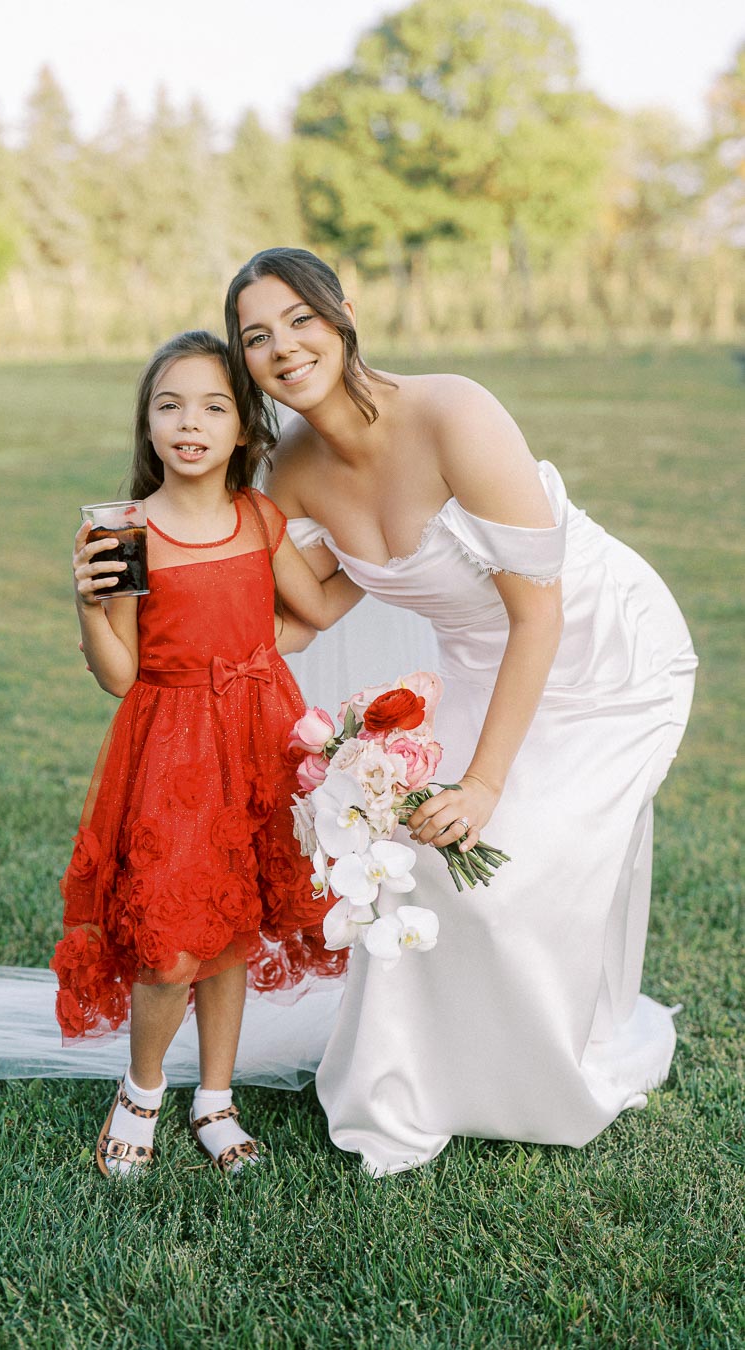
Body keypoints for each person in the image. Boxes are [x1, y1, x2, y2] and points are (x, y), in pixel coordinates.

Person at [224, 248, 698, 1177]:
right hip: (484, 661)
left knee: (523, 861)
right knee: (424, 860)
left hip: (602, 652)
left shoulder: (452, 413)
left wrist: (485, 782)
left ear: (344, 314)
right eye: (256, 337)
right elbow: (312, 610)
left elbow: (540, 611)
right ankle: (414, 1086)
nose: (283, 348)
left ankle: (541, 1070)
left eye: (300, 320)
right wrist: (180, 573)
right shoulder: (293, 471)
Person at [54, 328, 362, 1176]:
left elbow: (318, 609)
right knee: (168, 942)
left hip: (260, 739)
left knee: (236, 927)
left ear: (244, 430)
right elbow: (120, 676)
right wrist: (87, 607)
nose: (191, 422)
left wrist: (396, 552)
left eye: (214, 406)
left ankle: (215, 1098)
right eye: (170, 405)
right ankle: (142, 1089)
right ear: (148, 426)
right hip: (171, 752)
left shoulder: (259, 517)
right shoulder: (125, 532)